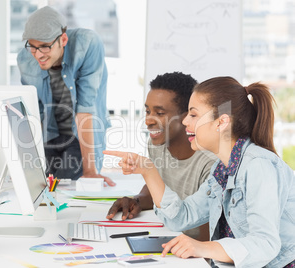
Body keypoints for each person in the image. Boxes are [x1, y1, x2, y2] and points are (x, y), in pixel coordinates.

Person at [104, 76, 295, 268]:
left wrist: (203, 247)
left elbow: (265, 245)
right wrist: (147, 170)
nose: (185, 121)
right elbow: (182, 217)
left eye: (193, 115)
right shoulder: (221, 170)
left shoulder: (258, 166)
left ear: (221, 122)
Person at [106, 72, 215, 241]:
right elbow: (160, 188)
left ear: (187, 116)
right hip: (167, 236)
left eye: (160, 113)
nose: (148, 121)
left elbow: (208, 234)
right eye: (148, 111)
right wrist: (137, 201)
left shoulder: (210, 162)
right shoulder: (157, 145)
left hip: (192, 250)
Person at [17, 6, 113, 185]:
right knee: (39, 186)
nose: (38, 55)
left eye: (45, 46)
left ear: (63, 39)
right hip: (50, 135)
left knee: (68, 185)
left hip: (81, 136)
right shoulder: (24, 58)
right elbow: (33, 114)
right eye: (33, 46)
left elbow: (85, 109)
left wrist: (90, 171)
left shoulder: (87, 44)